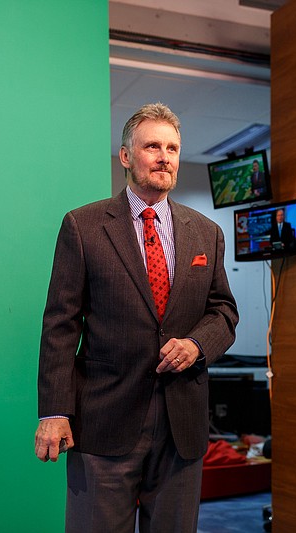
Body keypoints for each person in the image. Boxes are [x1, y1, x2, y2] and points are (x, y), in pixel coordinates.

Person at [34, 102, 239, 533]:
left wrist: (197, 344)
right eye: (152, 146)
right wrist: (54, 410)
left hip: (181, 424)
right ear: (127, 156)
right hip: (104, 420)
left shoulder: (207, 232)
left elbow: (223, 311)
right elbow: (61, 323)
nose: (164, 156)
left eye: (172, 147)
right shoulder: (84, 226)